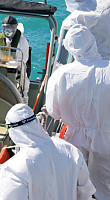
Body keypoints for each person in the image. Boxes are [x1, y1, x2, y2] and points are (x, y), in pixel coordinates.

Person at [46, 24, 110, 200]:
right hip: (106, 138)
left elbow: (53, 111)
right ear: (92, 43)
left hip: (74, 138)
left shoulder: (61, 74)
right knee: (104, 187)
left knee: (73, 185)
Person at [0, 103, 95, 200]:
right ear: (36, 122)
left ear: (12, 131)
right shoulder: (71, 151)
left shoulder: (13, 168)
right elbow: (86, 193)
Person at [0, 16, 30, 103]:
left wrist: (11, 63)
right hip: (2, 71)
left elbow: (24, 59)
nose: (8, 30)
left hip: (18, 73)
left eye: (10, 27)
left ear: (15, 28)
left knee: (23, 94)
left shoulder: (22, 41)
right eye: (5, 28)